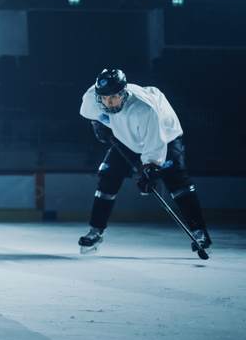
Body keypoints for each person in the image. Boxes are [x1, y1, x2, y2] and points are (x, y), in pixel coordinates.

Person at [78, 68, 211, 254]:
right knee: (107, 176)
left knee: (177, 182)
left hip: (165, 135)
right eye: (105, 98)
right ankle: (95, 231)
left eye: (114, 97)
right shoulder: (92, 97)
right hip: (126, 137)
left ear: (124, 93)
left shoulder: (144, 109)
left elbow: (155, 145)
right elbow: (91, 115)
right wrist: (97, 123)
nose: (109, 102)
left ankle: (199, 232)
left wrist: (150, 169)